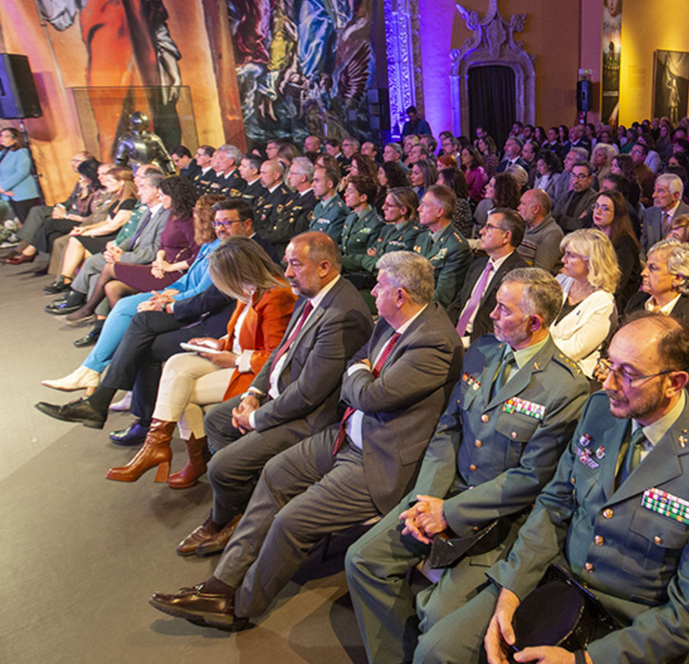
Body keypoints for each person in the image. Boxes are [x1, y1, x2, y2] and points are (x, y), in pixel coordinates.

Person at [401, 315, 689, 664]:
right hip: (559, 582)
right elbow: (554, 505)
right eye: (609, 365)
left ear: (675, 382)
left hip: (631, 626)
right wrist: (512, 589)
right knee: (438, 653)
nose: (608, 382)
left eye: (628, 374)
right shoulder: (600, 409)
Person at [148, 253, 465, 630]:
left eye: (379, 287)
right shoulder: (393, 320)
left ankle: (240, 608)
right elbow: (361, 363)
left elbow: (370, 397)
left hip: (378, 459)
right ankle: (221, 584)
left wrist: (359, 377)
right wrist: (360, 374)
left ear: (399, 295)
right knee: (274, 474)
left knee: (291, 520)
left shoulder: (434, 342)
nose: (373, 291)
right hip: (345, 434)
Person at [345, 268, 590, 664]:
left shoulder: (565, 387)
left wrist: (450, 512)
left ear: (535, 322)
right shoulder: (482, 351)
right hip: (444, 493)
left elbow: (531, 479)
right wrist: (425, 499)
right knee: (362, 560)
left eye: (503, 309)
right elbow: (448, 430)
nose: (491, 315)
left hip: (499, 518)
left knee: (436, 612)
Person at [174, 232, 373, 557]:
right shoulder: (310, 293)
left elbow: (309, 394)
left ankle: (224, 518)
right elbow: (280, 350)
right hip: (277, 396)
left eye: (295, 264)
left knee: (222, 466)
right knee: (217, 419)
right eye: (288, 264)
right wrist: (253, 391)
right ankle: (243, 507)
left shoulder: (341, 314)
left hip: (309, 419)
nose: (289, 273)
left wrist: (255, 417)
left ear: (324, 267)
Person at [32, 198, 259, 446]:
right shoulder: (221, 244)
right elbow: (192, 283)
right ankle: (105, 400)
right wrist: (165, 296)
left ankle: (119, 409)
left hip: (217, 327)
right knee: (141, 322)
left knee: (144, 338)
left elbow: (209, 298)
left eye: (227, 223)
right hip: (203, 314)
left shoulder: (252, 251)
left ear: (247, 224)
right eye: (217, 223)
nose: (220, 228)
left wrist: (169, 305)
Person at [94, 237, 296, 485]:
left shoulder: (276, 295)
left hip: (251, 370)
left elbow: (276, 356)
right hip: (233, 356)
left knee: (181, 391)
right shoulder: (249, 290)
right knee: (176, 363)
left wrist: (234, 359)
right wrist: (218, 343)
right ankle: (160, 448)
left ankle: (180, 455)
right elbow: (240, 334)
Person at [15, 0, 181, 154]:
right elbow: (57, 11)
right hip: (105, 62)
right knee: (110, 124)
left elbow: (155, 18)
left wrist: (171, 63)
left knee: (150, 117)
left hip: (142, 59)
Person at [64, 176, 200, 327]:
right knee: (111, 287)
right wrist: (159, 260)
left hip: (175, 274)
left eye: (162, 195)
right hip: (160, 267)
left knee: (109, 268)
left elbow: (199, 256)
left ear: (174, 196)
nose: (160, 199)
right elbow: (162, 245)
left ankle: (88, 309)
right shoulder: (173, 214)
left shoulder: (188, 221)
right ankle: (125, 329)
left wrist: (169, 267)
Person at [44, 168, 151, 315]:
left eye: (108, 180)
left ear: (121, 182)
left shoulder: (130, 200)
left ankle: (73, 292)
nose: (104, 183)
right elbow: (107, 221)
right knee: (76, 245)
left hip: (116, 238)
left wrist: (89, 233)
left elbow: (115, 226)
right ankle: (72, 289)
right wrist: (86, 230)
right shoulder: (118, 199)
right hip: (116, 240)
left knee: (87, 257)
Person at [625, 239, 689, 387]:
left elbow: (685, 379)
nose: (643, 273)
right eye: (646, 266)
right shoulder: (638, 301)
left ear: (678, 278)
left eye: (653, 268)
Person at [5, 154, 100, 265]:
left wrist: (66, 214)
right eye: (73, 160)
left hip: (78, 215)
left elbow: (87, 207)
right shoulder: (80, 179)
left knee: (49, 222)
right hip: (69, 210)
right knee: (38, 211)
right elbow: (70, 200)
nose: (74, 164)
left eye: (78, 161)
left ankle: (30, 250)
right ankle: (24, 247)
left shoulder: (93, 184)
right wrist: (60, 207)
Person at [450, 209, 528, 344]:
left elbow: (506, 325)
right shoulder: (478, 265)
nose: (481, 232)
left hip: (481, 345)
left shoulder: (519, 275)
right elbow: (459, 303)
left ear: (506, 236)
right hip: (454, 335)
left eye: (489, 227)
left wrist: (464, 342)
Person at [551, 229, 619, 377]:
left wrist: (536, 344)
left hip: (572, 374)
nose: (563, 260)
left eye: (571, 255)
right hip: (541, 363)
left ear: (592, 262)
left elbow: (575, 350)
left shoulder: (603, 302)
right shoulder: (561, 281)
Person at [413, 185, 472, 308]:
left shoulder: (456, 247)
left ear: (440, 211)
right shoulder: (423, 237)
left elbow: (442, 297)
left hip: (431, 311)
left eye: (425, 205)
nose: (419, 209)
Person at [591, 190, 641, 309]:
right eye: (596, 206)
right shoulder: (594, 236)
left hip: (615, 303)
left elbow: (616, 285)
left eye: (605, 208)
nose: (598, 211)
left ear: (617, 214)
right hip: (595, 292)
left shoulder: (625, 244)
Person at [640, 172, 689, 256]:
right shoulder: (649, 213)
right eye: (655, 190)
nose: (654, 195)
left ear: (675, 196)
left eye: (660, 191)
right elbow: (643, 245)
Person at [516, 189, 564, 273]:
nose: (518, 208)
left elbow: (539, 272)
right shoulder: (523, 224)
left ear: (535, 209)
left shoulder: (552, 234)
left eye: (523, 204)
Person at [0, 127, 42, 223]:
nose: (2, 138)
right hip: (9, 194)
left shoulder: (21, 152)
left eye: (6, 136)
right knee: (22, 220)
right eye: (1, 135)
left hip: (23, 193)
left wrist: (3, 187)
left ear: (15, 139)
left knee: (29, 221)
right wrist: (3, 189)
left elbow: (22, 172)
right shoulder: (4, 153)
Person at [553, 160, 599, 233]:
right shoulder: (566, 195)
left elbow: (581, 225)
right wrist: (573, 221)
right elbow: (554, 218)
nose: (576, 180)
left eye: (581, 176)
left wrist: (561, 219)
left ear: (590, 179)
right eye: (574, 175)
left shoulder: (595, 198)